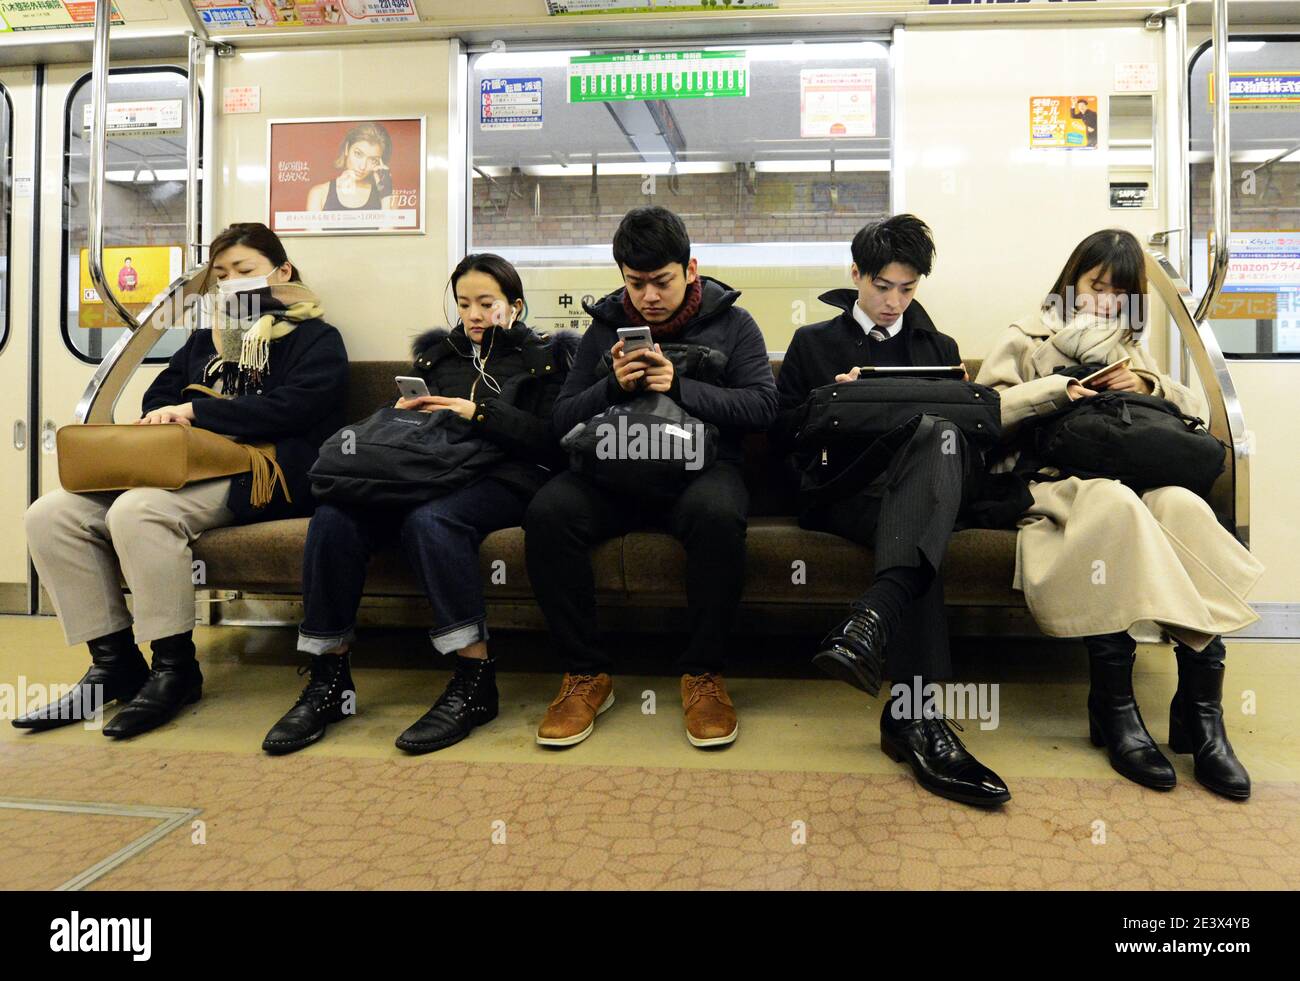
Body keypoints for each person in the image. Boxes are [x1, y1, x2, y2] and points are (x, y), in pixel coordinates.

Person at [17, 222, 348, 738]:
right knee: (51, 513)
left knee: (137, 510)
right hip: (187, 466)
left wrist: (198, 412)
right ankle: (114, 663)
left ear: (282, 272)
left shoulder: (315, 337)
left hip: (264, 469)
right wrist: (175, 415)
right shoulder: (205, 337)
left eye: (245, 270)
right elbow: (157, 399)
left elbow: (297, 408)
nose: (232, 282)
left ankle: (174, 669)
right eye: (221, 274)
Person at [975, 228, 1263, 799]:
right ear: (1071, 283)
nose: (1104, 303)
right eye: (1095, 286)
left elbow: (1194, 412)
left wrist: (1145, 382)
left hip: (1135, 479)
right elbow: (984, 416)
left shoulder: (1129, 347)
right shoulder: (1026, 336)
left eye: (1119, 293)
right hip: (1058, 487)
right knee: (1113, 504)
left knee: (1181, 505)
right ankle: (1113, 704)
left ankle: (1202, 711)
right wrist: (1057, 391)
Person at [262, 254, 578, 756]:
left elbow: (550, 442)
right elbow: (400, 428)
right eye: (464, 304)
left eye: (487, 304)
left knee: (432, 521)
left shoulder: (545, 359)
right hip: (426, 471)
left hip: (505, 476)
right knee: (334, 519)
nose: (474, 314)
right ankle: (329, 678)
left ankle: (475, 679)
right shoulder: (439, 356)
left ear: (514, 307)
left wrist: (477, 413)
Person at [772, 214, 1010, 806]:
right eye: (882, 286)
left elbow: (975, 446)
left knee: (936, 448)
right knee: (924, 523)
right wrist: (837, 402)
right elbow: (778, 437)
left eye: (907, 289)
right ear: (856, 274)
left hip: (914, 492)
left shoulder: (939, 348)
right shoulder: (813, 344)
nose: (892, 301)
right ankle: (915, 721)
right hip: (842, 490)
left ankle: (879, 642)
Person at [524, 206, 777, 749]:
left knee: (717, 515)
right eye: (635, 284)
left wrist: (680, 389)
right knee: (547, 513)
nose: (648, 297)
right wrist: (612, 386)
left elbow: (762, 408)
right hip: (612, 470)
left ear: (690, 269)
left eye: (661, 281)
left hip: (699, 473)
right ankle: (586, 673)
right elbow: (561, 421)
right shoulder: (603, 327)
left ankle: (703, 674)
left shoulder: (735, 323)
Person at [306, 122, 393, 213]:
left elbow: (388, 227)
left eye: (373, 160)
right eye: (358, 154)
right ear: (347, 148)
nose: (362, 166)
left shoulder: (387, 197)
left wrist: (386, 198)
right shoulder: (319, 193)